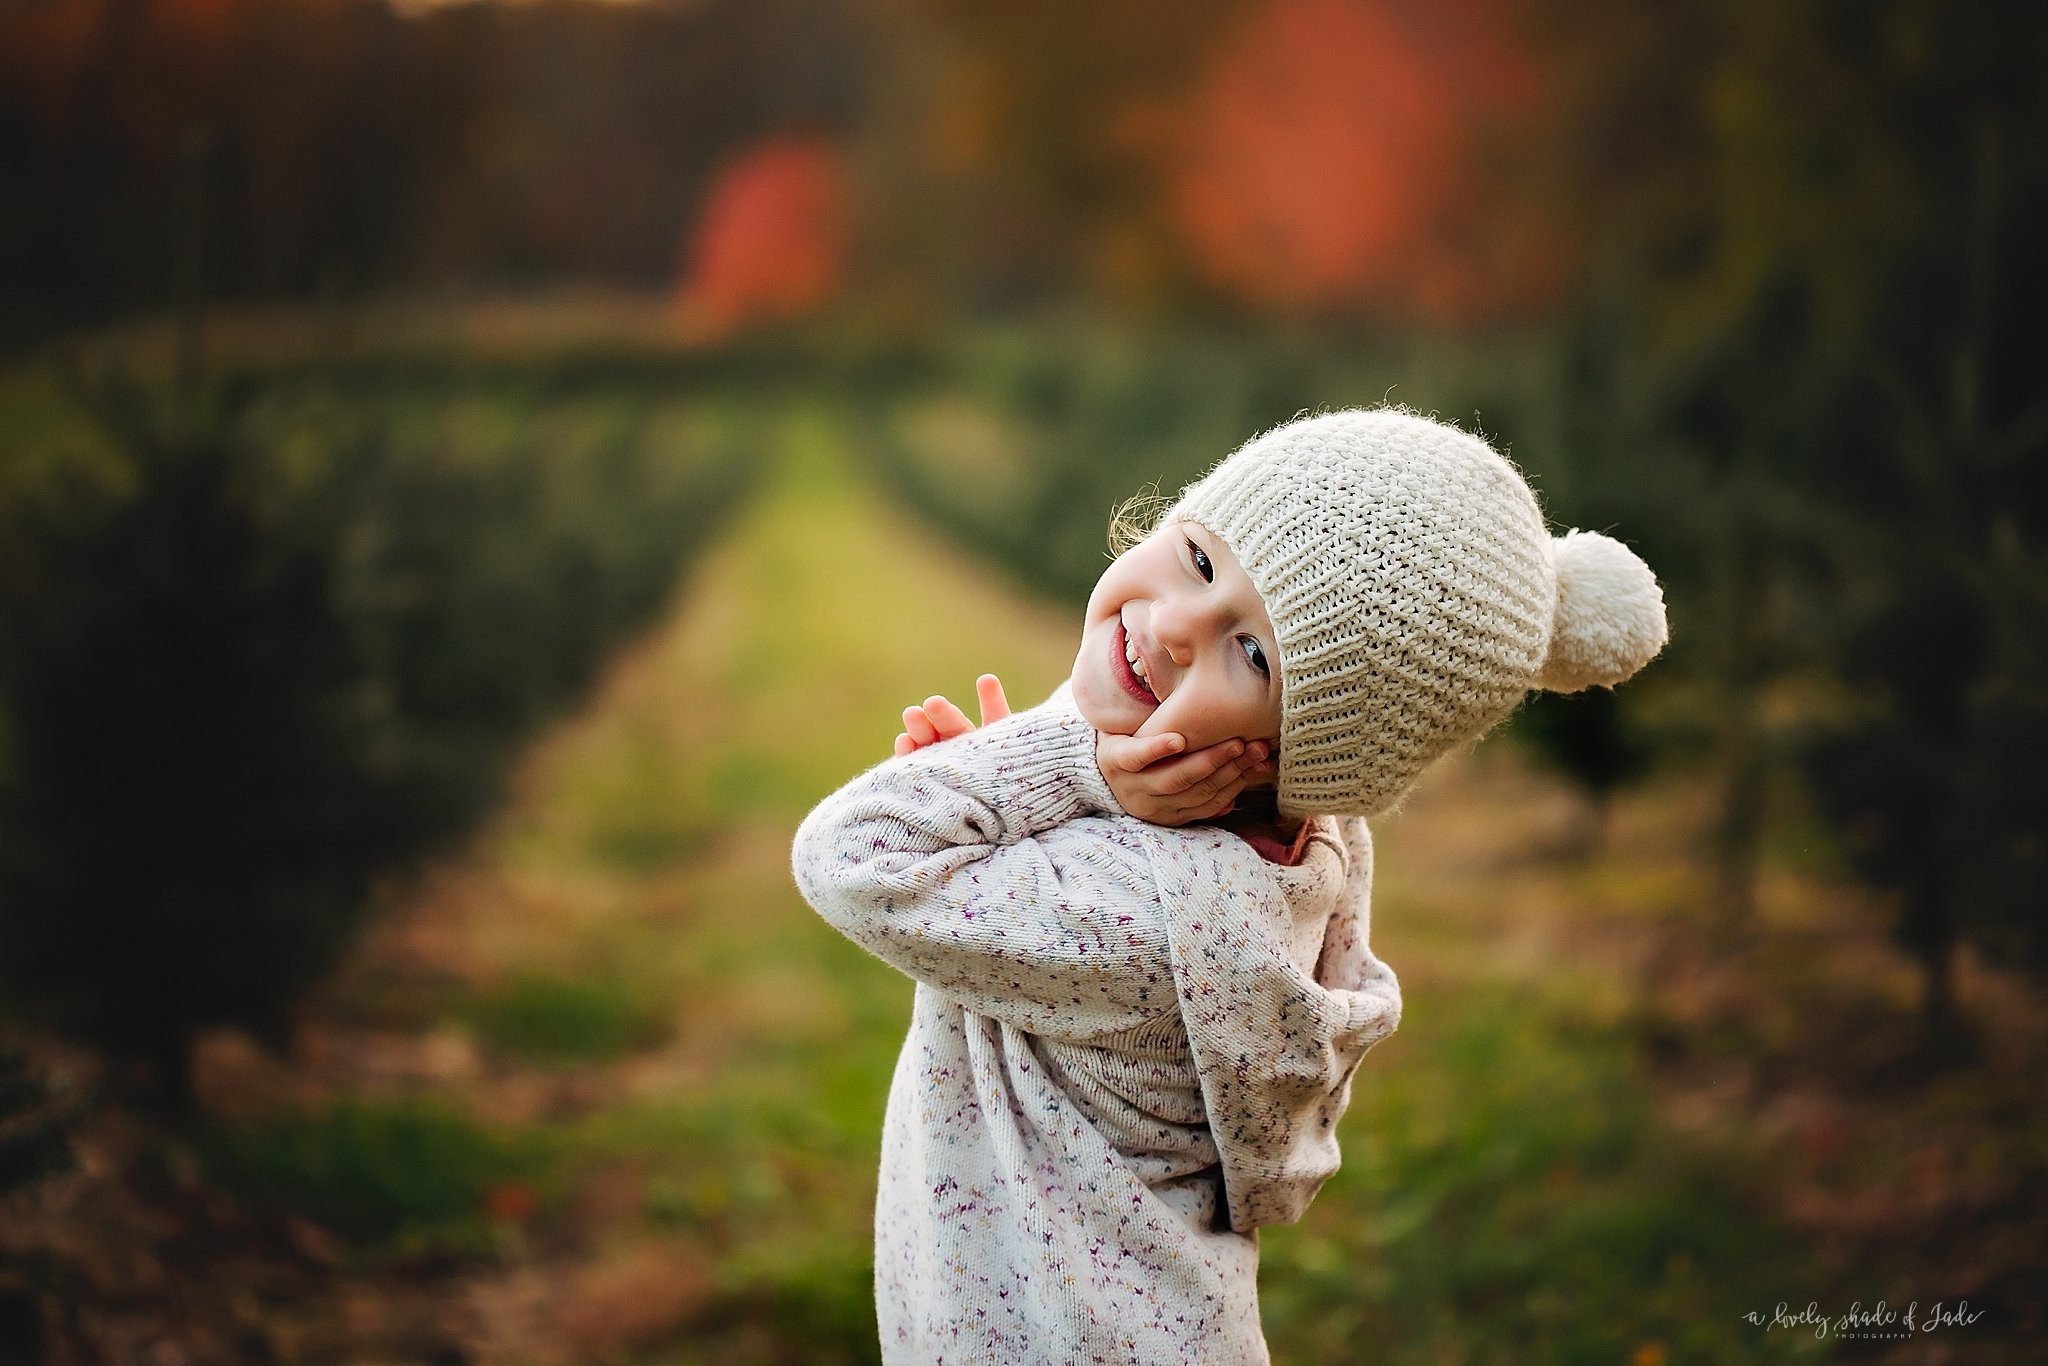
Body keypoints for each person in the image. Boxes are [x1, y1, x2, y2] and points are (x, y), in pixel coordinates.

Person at [791, 407, 1668, 1363]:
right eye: (1201, 561)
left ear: (1300, 757)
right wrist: (1022, 798)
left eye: (1252, 654)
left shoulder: (1139, 918)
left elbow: (849, 856)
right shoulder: (1316, 846)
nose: (1173, 625)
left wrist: (1052, 766)